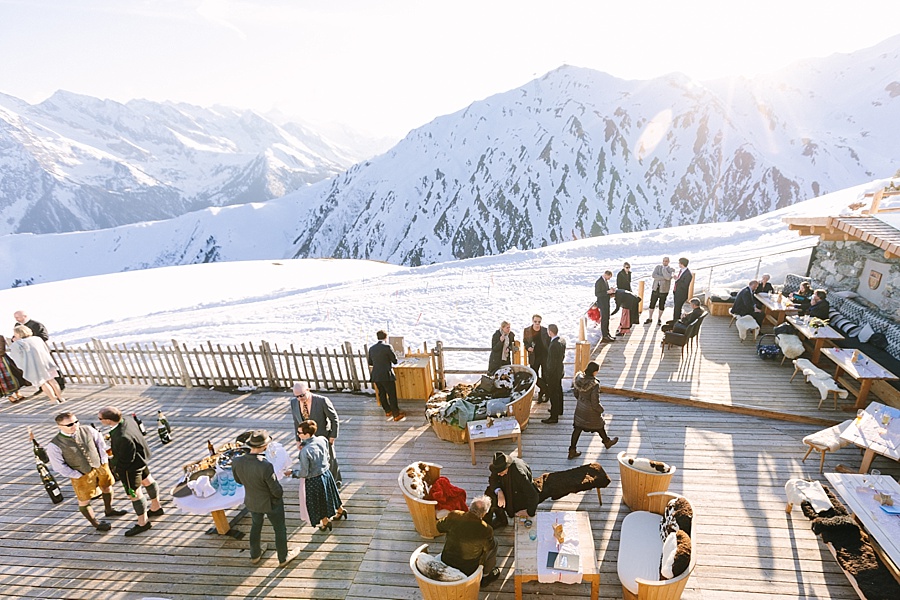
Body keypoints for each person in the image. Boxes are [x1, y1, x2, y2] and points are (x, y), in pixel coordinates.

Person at [46, 412, 128, 532]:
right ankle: (96, 524)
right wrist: (77, 475)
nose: (75, 425)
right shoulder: (54, 445)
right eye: (70, 424)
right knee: (84, 500)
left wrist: (103, 462)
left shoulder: (88, 430)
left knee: (107, 487)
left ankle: (109, 510)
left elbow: (100, 445)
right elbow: (59, 466)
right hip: (80, 474)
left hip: (100, 466)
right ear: (60, 426)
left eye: (76, 421)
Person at [232, 430, 300, 567]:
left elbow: (238, 481)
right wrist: (279, 494)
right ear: (264, 446)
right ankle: (283, 557)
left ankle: (255, 555)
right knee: (279, 528)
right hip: (271, 503)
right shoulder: (265, 465)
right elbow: (276, 491)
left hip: (252, 500)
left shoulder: (237, 461)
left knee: (256, 526)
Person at [98, 406, 163, 537]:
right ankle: (156, 507)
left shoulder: (122, 437)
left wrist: (115, 467)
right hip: (141, 458)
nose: (99, 420)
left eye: (100, 419)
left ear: (108, 420)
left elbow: (126, 459)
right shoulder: (128, 419)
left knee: (134, 494)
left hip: (130, 468)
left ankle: (143, 523)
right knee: (148, 480)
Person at [289, 420, 346, 532]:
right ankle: (340, 510)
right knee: (331, 495)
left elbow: (304, 473)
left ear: (306, 434)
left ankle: (325, 522)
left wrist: (292, 473)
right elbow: (327, 456)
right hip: (326, 473)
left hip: (313, 480)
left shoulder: (305, 452)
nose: (298, 434)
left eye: (299, 433)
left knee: (319, 502)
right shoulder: (322, 439)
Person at [436, 496, 501, 588]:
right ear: (484, 514)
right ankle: (485, 576)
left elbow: (439, 527)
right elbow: (488, 547)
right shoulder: (486, 529)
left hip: (447, 559)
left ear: (470, 507)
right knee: (495, 543)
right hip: (468, 569)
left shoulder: (455, 515)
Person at [290, 382, 342, 487]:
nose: (300, 398)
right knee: (311, 461)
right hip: (306, 438)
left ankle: (336, 481)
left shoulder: (322, 401)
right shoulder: (294, 403)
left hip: (323, 436)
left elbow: (334, 419)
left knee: (330, 459)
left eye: (302, 395)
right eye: (297, 396)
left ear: (308, 390)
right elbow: (296, 422)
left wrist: (332, 436)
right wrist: (298, 439)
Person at [568, 361, 618, 459]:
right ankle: (607, 442)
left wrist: (581, 401)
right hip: (590, 411)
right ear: (594, 372)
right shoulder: (594, 384)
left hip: (580, 409)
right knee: (599, 425)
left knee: (577, 429)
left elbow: (576, 393)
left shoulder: (579, 379)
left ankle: (572, 450)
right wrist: (600, 410)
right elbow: (595, 402)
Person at [6, 325, 65, 403]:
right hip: (45, 363)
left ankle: (53, 399)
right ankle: (60, 397)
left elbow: (15, 356)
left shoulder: (18, 344)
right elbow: (46, 349)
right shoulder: (37, 339)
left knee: (42, 382)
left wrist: (15, 342)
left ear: (19, 333)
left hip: (33, 366)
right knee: (52, 380)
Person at [483, 451, 539, 528]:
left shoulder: (519, 474)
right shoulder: (498, 467)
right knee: (489, 494)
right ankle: (500, 520)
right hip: (507, 488)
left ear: (507, 466)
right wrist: (499, 491)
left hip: (519, 496)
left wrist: (529, 512)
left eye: (501, 472)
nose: (498, 474)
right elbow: (493, 480)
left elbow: (533, 495)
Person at [368, 330, 405, 422]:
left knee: (382, 393)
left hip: (376, 375)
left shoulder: (372, 348)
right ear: (386, 337)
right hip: (386, 374)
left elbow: (370, 362)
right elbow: (395, 361)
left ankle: (387, 411)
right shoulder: (387, 347)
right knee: (391, 394)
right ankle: (396, 414)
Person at [522, 315, 551, 403]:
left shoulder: (545, 330)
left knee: (545, 375)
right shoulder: (527, 330)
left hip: (544, 356)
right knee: (534, 375)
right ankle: (546, 390)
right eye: (535, 322)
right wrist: (528, 348)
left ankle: (542, 394)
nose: (537, 324)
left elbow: (549, 342)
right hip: (534, 356)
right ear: (532, 321)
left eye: (539, 322)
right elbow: (525, 341)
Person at [541, 324, 565, 424]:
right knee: (559, 390)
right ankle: (559, 409)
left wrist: (548, 373)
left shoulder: (553, 345)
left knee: (553, 394)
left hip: (553, 373)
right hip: (559, 370)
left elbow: (552, 362)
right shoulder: (562, 340)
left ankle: (554, 416)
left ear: (550, 332)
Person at [646, 257, 675, 325]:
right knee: (652, 303)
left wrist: (664, 271)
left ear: (669, 262)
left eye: (666, 261)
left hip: (664, 290)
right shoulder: (658, 267)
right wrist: (664, 278)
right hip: (656, 288)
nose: (665, 262)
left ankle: (659, 318)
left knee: (661, 304)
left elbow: (668, 277)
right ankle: (650, 318)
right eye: (664, 261)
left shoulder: (671, 269)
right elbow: (653, 275)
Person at [0, 335, 25, 402]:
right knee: (1, 381)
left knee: (10, 376)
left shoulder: (0, 337)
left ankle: (17, 392)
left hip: (2, 360)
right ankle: (9, 396)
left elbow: (2, 350)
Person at [594, 270, 616, 343]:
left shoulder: (605, 281)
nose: (609, 279)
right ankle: (604, 336)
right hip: (602, 303)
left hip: (606, 302)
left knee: (607, 318)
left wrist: (611, 292)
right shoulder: (599, 282)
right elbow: (597, 294)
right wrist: (607, 292)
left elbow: (605, 291)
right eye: (609, 277)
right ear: (606, 275)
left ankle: (607, 333)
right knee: (604, 319)